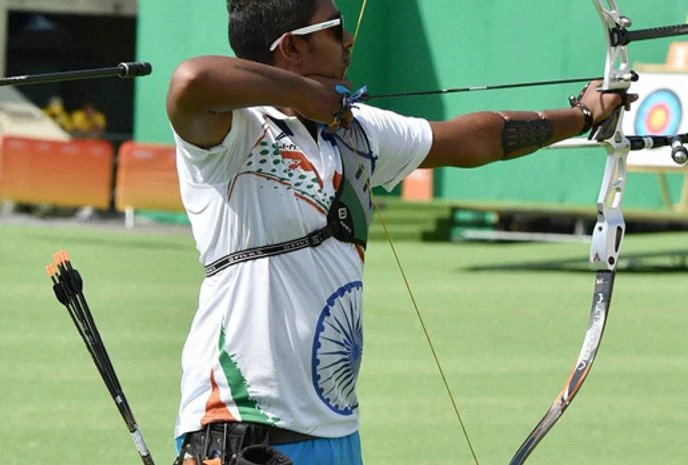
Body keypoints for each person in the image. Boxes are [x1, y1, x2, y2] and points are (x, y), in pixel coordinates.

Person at [165, 0, 634, 464]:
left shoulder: (355, 131)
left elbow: (475, 138)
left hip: (335, 430)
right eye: (335, 28)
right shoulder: (234, 137)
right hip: (240, 431)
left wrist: (584, 116)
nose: (349, 41)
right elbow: (192, 80)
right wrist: (310, 96)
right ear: (290, 48)